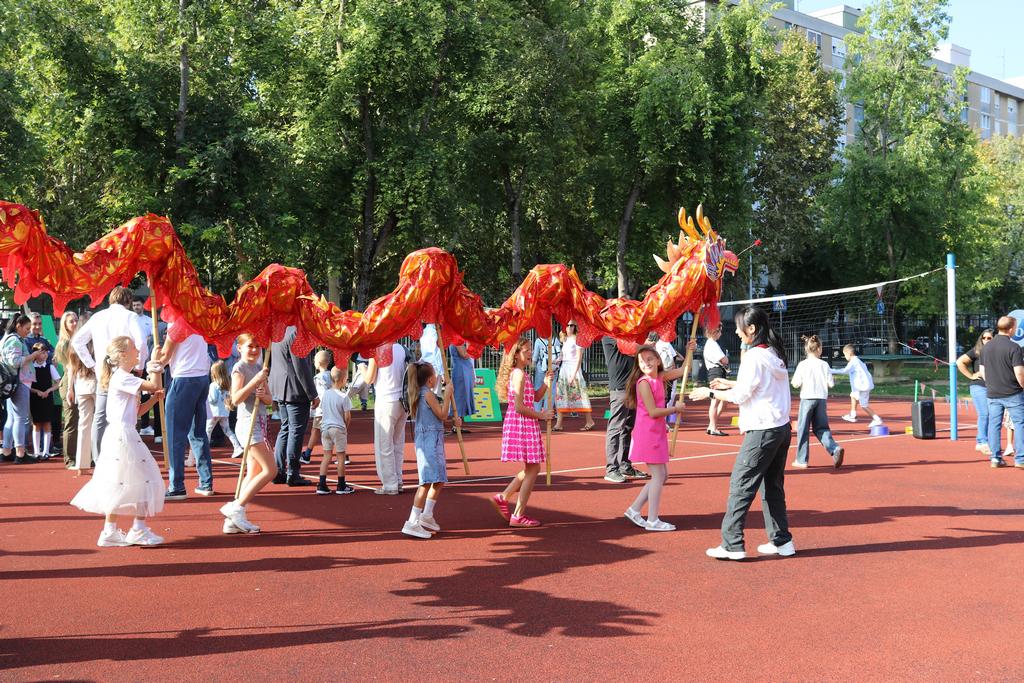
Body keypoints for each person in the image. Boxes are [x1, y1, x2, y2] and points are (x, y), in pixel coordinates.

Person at [690, 306, 795, 561]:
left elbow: (741, 396)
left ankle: (732, 544)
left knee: (741, 485)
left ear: (751, 329)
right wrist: (730, 383)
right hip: (780, 428)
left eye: (739, 328)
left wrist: (709, 392)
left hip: (762, 430)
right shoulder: (772, 353)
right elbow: (757, 386)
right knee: (772, 487)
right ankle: (782, 541)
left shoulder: (754, 357)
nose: (736, 332)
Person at [70, 336, 166, 547]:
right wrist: (155, 363)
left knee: (121, 481)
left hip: (122, 432)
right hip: (122, 434)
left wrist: (153, 399)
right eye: (134, 348)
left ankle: (111, 530)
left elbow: (136, 411)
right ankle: (136, 529)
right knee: (144, 479)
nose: (138, 352)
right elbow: (153, 384)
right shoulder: (122, 377)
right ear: (122, 354)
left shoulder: (124, 377)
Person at [71, 286, 149, 458]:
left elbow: (77, 341)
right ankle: (126, 456)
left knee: (100, 416)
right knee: (128, 413)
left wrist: (92, 365)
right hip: (126, 370)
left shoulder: (98, 316)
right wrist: (140, 365)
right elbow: (142, 343)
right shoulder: (131, 316)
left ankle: (99, 458)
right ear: (128, 301)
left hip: (104, 372)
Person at [622, 345, 687, 532]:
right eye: (642, 361)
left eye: (650, 359)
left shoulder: (660, 376)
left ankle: (634, 509)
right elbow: (653, 411)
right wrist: (675, 409)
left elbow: (683, 370)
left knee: (662, 475)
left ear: (658, 360)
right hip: (647, 432)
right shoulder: (644, 383)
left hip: (655, 432)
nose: (646, 364)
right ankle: (652, 520)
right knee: (658, 476)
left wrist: (690, 350)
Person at [490, 338, 554, 528]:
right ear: (516, 354)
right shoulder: (518, 374)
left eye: (530, 349)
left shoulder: (521, 374)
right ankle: (517, 514)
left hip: (524, 422)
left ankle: (504, 497)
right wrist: (541, 415)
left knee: (531, 468)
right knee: (533, 468)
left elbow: (534, 397)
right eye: (526, 350)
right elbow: (519, 406)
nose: (530, 353)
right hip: (522, 423)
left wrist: (545, 384)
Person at [220, 333, 275, 534]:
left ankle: (233, 521)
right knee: (271, 470)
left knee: (253, 472)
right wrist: (254, 384)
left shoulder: (260, 368)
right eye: (250, 346)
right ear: (240, 348)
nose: (254, 350)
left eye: (257, 346)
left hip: (260, 422)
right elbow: (235, 399)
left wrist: (263, 394)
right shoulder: (239, 368)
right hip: (248, 425)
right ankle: (237, 507)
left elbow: (269, 400)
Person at [401, 361, 460, 538]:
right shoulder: (426, 394)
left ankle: (426, 515)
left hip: (434, 439)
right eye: (435, 375)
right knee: (426, 482)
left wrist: (454, 422)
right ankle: (412, 521)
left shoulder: (426, 394)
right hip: (428, 442)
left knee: (439, 479)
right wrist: (447, 395)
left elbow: (439, 417)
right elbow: (442, 414)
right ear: (429, 380)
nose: (437, 378)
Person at [157, 321, 214, 499]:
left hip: (184, 378)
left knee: (176, 436)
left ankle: (177, 486)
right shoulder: (199, 319)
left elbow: (165, 356)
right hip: (202, 377)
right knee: (198, 433)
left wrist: (154, 361)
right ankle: (206, 482)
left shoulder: (177, 323)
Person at [269, 325, 318, 486]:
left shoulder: (280, 330)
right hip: (294, 388)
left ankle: (278, 470)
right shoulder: (296, 333)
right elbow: (301, 367)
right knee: (295, 431)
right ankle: (293, 473)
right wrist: (312, 393)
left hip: (281, 387)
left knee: (286, 429)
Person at [601, 336, 650, 483]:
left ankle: (624, 465)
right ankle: (611, 469)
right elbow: (632, 348)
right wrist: (648, 345)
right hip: (620, 388)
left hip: (632, 387)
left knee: (628, 427)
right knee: (616, 428)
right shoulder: (609, 336)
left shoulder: (628, 335)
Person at [790, 335, 844, 469]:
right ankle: (834, 448)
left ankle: (802, 460)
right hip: (821, 399)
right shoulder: (824, 365)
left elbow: (795, 383)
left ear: (806, 349)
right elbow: (831, 384)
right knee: (821, 428)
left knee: (803, 429)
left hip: (807, 398)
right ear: (819, 349)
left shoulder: (802, 364)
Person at [1, 315, 48, 464]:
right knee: (20, 418)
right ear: (18, 326)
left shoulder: (7, 339)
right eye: (27, 328)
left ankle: (7, 451)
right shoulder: (14, 340)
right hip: (19, 381)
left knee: (12, 418)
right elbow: (14, 362)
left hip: (13, 382)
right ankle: (20, 453)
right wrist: (33, 356)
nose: (28, 331)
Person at [363, 342, 408, 495]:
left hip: (386, 400)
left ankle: (390, 484)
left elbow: (369, 379)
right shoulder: (401, 348)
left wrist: (361, 368)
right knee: (397, 444)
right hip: (402, 400)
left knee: (384, 445)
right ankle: (398, 480)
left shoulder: (376, 349)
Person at [980, 315, 1024, 468]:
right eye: (1015, 327)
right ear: (1011, 329)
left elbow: (982, 371)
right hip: (1013, 392)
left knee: (994, 425)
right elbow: (1019, 372)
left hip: (993, 392)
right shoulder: (1014, 347)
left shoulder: (986, 347)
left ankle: (995, 458)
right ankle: (1020, 459)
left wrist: (991, 384)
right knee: (1020, 424)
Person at [315, 367, 354, 495]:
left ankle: (321, 484)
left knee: (326, 456)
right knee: (341, 456)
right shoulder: (344, 396)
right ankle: (341, 484)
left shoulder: (326, 394)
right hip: (338, 428)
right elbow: (347, 416)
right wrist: (345, 427)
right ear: (343, 380)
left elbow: (322, 410)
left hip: (325, 428)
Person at [956, 329, 994, 455]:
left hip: (994, 387)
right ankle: (982, 442)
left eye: (989, 338)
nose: (986, 340)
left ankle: (984, 442)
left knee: (993, 415)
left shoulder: (997, 351)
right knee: (984, 414)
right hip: (979, 386)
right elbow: (960, 362)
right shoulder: (977, 351)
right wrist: (971, 375)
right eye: (984, 338)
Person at [555, 322, 594, 431]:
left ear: (575, 327)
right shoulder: (565, 339)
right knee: (561, 395)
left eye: (571, 325)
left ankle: (590, 421)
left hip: (573, 369)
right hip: (564, 369)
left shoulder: (578, 339)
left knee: (580, 395)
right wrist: (557, 360)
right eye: (567, 325)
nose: (569, 327)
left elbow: (579, 358)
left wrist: (574, 375)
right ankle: (559, 424)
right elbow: (563, 354)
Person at [832, 344, 882, 426]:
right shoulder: (859, 361)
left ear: (849, 354)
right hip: (866, 385)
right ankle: (877, 419)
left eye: (845, 355)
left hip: (861, 386)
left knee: (854, 396)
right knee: (863, 404)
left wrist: (830, 371)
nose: (845, 357)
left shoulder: (853, 362)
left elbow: (844, 371)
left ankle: (853, 415)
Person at [54, 311, 80, 468]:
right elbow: (70, 367)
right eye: (71, 321)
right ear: (65, 325)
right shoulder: (64, 344)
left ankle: (82, 456)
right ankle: (70, 459)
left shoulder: (80, 340)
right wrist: (70, 388)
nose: (75, 323)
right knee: (71, 422)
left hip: (80, 383)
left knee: (82, 421)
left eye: (76, 320)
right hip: (69, 384)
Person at [67, 341, 97, 473]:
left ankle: (82, 464)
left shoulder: (75, 344)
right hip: (97, 385)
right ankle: (100, 459)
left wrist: (70, 389)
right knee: (101, 423)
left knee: (84, 425)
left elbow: (71, 369)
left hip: (81, 386)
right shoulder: (97, 341)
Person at [29, 342, 60, 459]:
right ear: (35, 354)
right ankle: (37, 452)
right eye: (42, 352)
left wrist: (48, 390)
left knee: (47, 423)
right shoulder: (31, 367)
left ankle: (46, 452)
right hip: (35, 399)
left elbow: (58, 383)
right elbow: (27, 385)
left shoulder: (50, 367)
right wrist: (37, 391)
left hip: (47, 399)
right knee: (36, 424)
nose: (45, 355)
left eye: (46, 352)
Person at [207, 360, 244, 458]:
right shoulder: (227, 385)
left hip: (214, 413)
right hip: (224, 412)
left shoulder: (213, 385)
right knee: (227, 430)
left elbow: (213, 399)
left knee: (208, 430)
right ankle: (237, 447)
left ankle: (205, 451)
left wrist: (206, 397)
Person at [301, 350, 333, 465]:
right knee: (333, 431)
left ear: (318, 363)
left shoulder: (318, 378)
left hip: (321, 410)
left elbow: (320, 393)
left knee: (315, 431)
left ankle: (307, 454)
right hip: (331, 409)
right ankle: (341, 453)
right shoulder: (332, 375)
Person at [132, 297, 156, 437]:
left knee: (146, 393)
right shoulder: (130, 320)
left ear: (142, 306)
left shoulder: (148, 321)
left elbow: (151, 339)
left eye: (138, 305)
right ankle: (136, 423)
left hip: (146, 361)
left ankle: (146, 424)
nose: (136, 307)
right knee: (135, 394)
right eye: (134, 305)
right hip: (133, 361)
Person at [702, 324, 730, 436]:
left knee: (724, 400)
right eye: (719, 331)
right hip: (716, 372)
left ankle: (712, 424)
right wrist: (726, 358)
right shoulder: (712, 344)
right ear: (714, 332)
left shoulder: (712, 343)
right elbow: (724, 360)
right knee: (716, 400)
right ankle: (713, 426)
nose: (721, 334)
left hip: (718, 372)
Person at [448, 342, 475, 432]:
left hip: (464, 369)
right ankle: (456, 425)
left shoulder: (460, 340)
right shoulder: (457, 340)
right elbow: (464, 354)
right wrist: (474, 347)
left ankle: (458, 425)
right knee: (459, 397)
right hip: (461, 370)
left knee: (462, 397)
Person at [532, 335, 559, 412]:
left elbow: (535, 356)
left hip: (541, 368)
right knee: (551, 390)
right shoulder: (555, 340)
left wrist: (532, 367)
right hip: (553, 368)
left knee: (538, 388)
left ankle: (537, 411)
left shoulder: (538, 341)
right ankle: (548, 411)